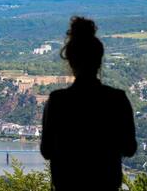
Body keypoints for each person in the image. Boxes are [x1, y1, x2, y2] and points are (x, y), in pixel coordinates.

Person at [40, 16, 137, 191]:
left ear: (70, 61)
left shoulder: (58, 101)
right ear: (99, 61)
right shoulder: (117, 99)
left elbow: (46, 151)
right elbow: (129, 148)